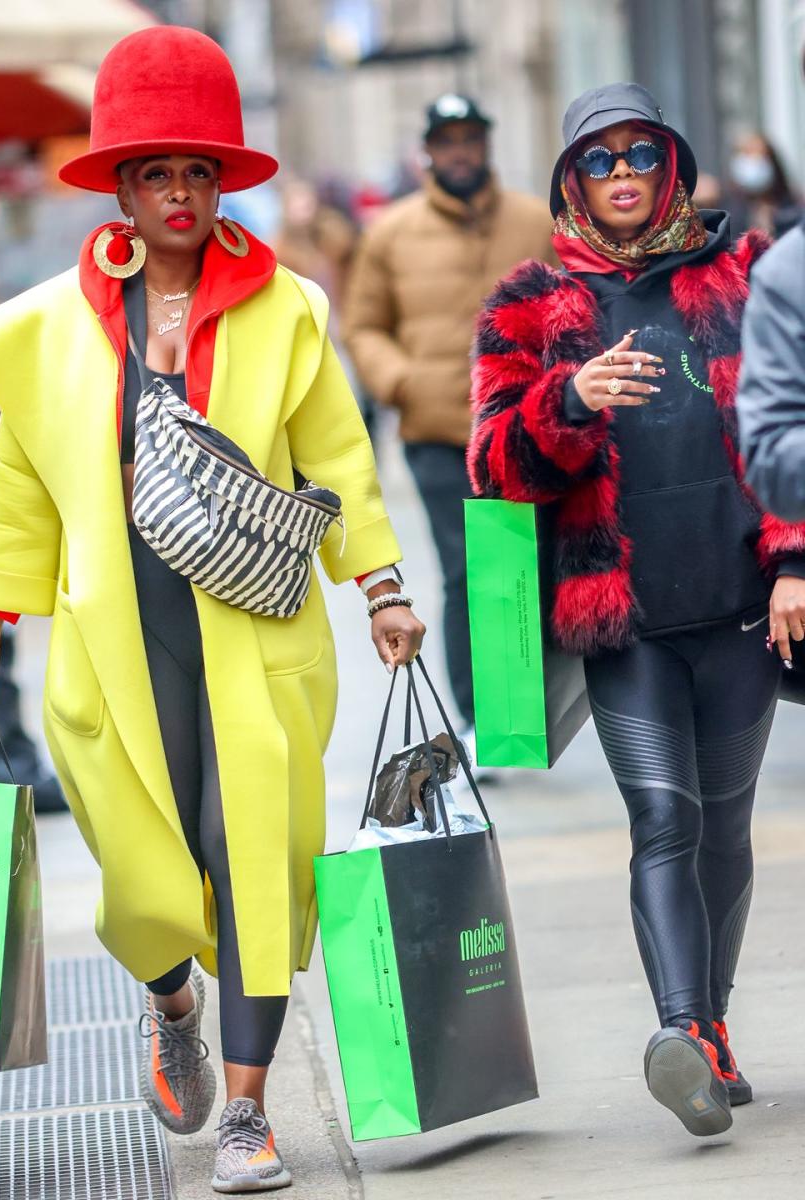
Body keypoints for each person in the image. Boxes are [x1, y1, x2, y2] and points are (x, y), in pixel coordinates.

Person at [0, 26, 424, 1195]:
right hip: (112, 646)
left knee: (256, 857)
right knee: (142, 876)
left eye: (199, 171)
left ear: (221, 183)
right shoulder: (54, 325)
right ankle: (174, 1002)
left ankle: (246, 1115)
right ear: (121, 186)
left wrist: (384, 586)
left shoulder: (285, 308)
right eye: (156, 171)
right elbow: (23, 480)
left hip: (258, 639)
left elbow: (339, 458)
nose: (180, 193)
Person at [467, 82, 805, 1137]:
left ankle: (713, 1025)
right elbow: (488, 465)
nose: (621, 176)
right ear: (573, 177)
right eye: (600, 160)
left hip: (743, 604)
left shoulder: (746, 275)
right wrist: (568, 402)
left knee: (726, 829)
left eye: (639, 157)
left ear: (672, 166)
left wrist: (797, 558)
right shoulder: (529, 302)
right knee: (664, 818)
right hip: (621, 620)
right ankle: (684, 1029)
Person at [343, 93, 554, 744]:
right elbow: (363, 326)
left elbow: (574, 302)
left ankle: (533, 708)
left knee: (529, 568)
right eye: (447, 140)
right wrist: (400, 382)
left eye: (470, 138)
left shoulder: (536, 219)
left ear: (486, 145)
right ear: (428, 151)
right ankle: (481, 722)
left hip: (528, 429)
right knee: (467, 572)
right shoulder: (391, 232)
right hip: (438, 434)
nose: (460, 151)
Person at [737, 217, 805, 522]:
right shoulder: (790, 270)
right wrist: (576, 401)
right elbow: (773, 461)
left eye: (644, 163)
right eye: (595, 165)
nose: (622, 171)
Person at [727, 131, 803, 239]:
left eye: (760, 154)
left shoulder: (794, 207)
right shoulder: (729, 209)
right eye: (748, 153)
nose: (754, 161)